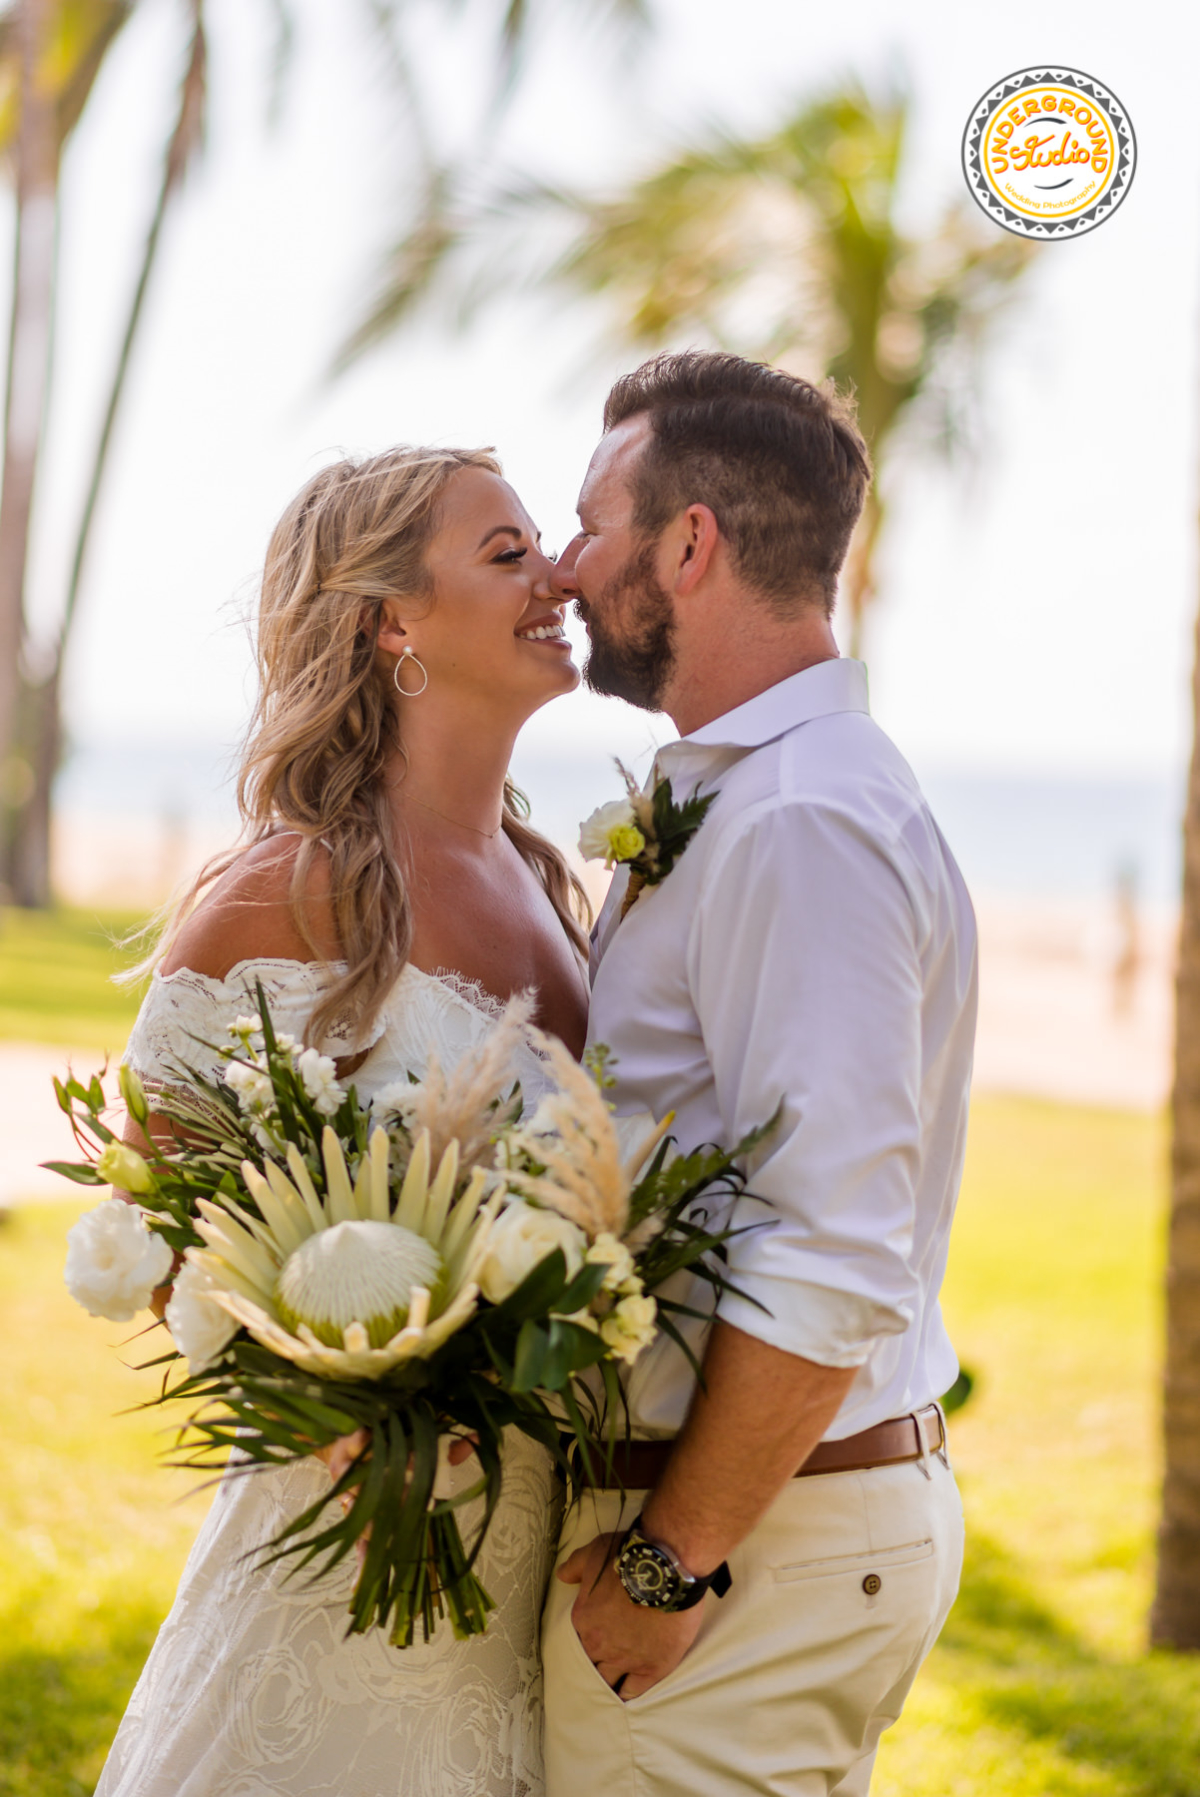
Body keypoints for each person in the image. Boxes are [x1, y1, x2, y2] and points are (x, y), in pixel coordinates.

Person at [96, 445, 590, 1797]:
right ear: (391, 622)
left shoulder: (558, 890)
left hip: (531, 1554)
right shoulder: (282, 892)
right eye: (507, 553)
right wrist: (340, 1410)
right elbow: (160, 1223)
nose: (556, 576)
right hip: (345, 1549)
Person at [540, 351, 977, 1797]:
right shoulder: (768, 795)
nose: (562, 562)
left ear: (690, 542)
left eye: (592, 520)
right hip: (778, 1538)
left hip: (750, 1557)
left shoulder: (800, 821)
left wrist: (671, 1562)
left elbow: (837, 1248)